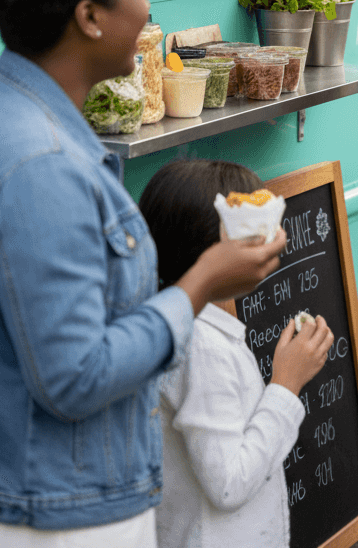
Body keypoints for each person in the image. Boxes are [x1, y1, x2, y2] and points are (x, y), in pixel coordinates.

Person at [0, 0, 286, 544]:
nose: (150, 8)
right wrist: (202, 282)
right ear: (91, 16)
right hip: (64, 514)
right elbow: (75, 376)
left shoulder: (24, 120)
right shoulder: (42, 165)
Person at [138, 159, 334, 548]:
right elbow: (228, 483)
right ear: (213, 253)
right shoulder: (203, 348)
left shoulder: (180, 323)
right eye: (250, 230)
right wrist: (286, 383)